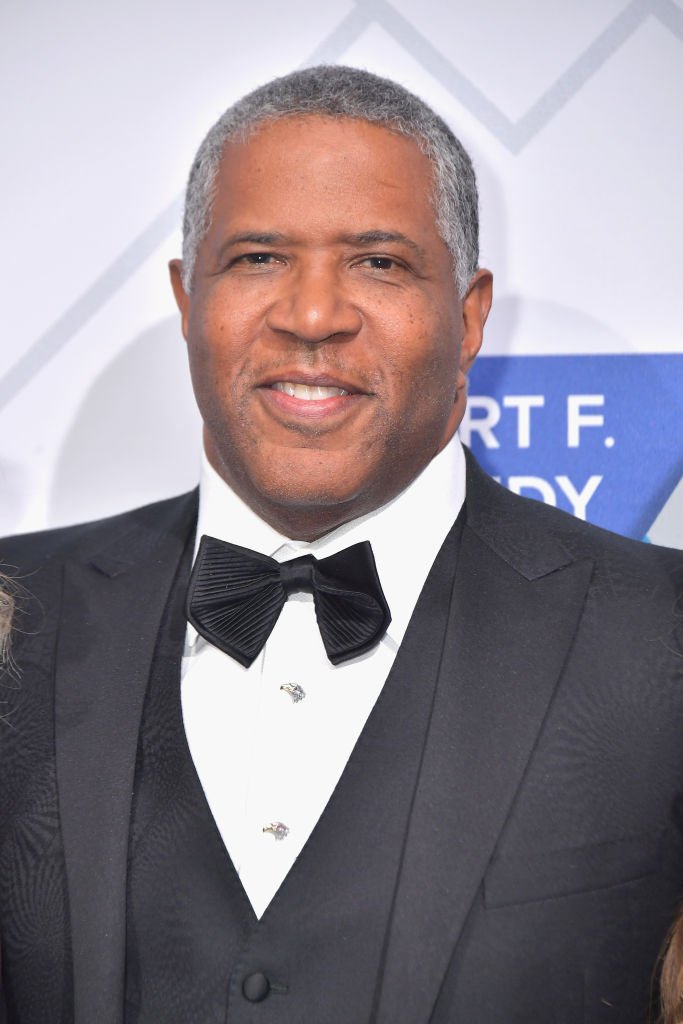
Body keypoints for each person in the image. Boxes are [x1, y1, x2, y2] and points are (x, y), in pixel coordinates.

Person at [1, 65, 682, 1024]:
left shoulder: (662, 632)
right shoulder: (12, 615)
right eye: (258, 258)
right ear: (186, 300)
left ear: (470, 314)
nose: (311, 316)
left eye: (378, 261)